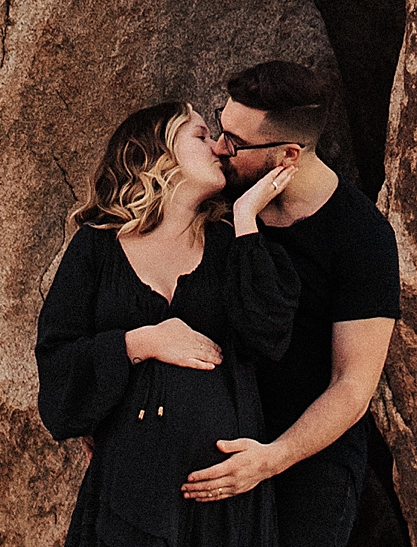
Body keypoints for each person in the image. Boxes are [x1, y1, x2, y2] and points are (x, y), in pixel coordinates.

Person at [37, 98, 301, 545]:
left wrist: (244, 219)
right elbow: (58, 370)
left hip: (224, 505)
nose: (220, 148)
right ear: (155, 155)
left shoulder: (229, 246)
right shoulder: (97, 247)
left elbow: (270, 335)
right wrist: (142, 341)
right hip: (129, 496)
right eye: (200, 135)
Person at [181, 62, 400, 547]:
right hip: (220, 446)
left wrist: (271, 458)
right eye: (221, 127)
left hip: (308, 462)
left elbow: (352, 386)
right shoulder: (219, 208)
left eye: (235, 142)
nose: (219, 148)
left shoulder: (362, 237)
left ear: (287, 155)